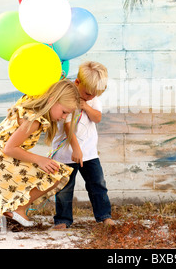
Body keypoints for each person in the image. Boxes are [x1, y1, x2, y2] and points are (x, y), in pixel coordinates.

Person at [0, 79, 80, 227]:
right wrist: (40, 160)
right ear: (52, 100)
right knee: (58, 172)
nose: (63, 117)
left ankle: (9, 211)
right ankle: (19, 209)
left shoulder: (29, 101)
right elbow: (10, 148)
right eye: (64, 112)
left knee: (41, 173)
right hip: (5, 160)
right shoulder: (34, 120)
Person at [51, 61, 114, 228]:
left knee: (97, 184)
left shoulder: (90, 98)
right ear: (77, 82)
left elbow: (97, 118)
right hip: (67, 154)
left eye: (94, 95)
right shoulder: (67, 96)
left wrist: (85, 105)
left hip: (89, 153)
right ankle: (63, 220)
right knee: (64, 188)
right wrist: (76, 150)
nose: (91, 97)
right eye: (87, 94)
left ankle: (104, 216)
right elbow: (67, 126)